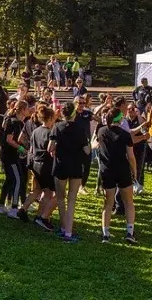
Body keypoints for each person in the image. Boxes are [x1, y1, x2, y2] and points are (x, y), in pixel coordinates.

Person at [49, 102, 90, 243]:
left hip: (61, 165)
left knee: (60, 198)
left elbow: (50, 147)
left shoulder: (57, 126)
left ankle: (63, 227)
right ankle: (68, 232)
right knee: (72, 199)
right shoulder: (80, 128)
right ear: (74, 114)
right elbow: (87, 150)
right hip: (76, 166)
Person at [95, 108, 138, 244]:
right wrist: (135, 171)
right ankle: (129, 232)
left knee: (108, 203)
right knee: (128, 202)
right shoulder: (125, 134)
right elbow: (131, 156)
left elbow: (96, 145)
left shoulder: (101, 131)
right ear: (120, 119)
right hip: (122, 169)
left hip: (107, 170)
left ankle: (105, 234)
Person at [21, 105, 57, 231]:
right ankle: (42, 217)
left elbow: (31, 146)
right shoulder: (50, 133)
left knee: (37, 189)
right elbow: (52, 149)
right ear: (51, 118)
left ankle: (23, 208)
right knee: (48, 192)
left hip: (35, 163)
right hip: (46, 164)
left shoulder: (36, 131)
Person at [0, 100, 29, 217]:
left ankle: (1, 205)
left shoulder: (11, 120)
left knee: (9, 180)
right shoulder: (15, 122)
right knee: (18, 180)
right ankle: (14, 208)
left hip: (6, 155)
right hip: (11, 156)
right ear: (23, 110)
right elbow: (9, 140)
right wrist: (21, 149)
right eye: (27, 108)